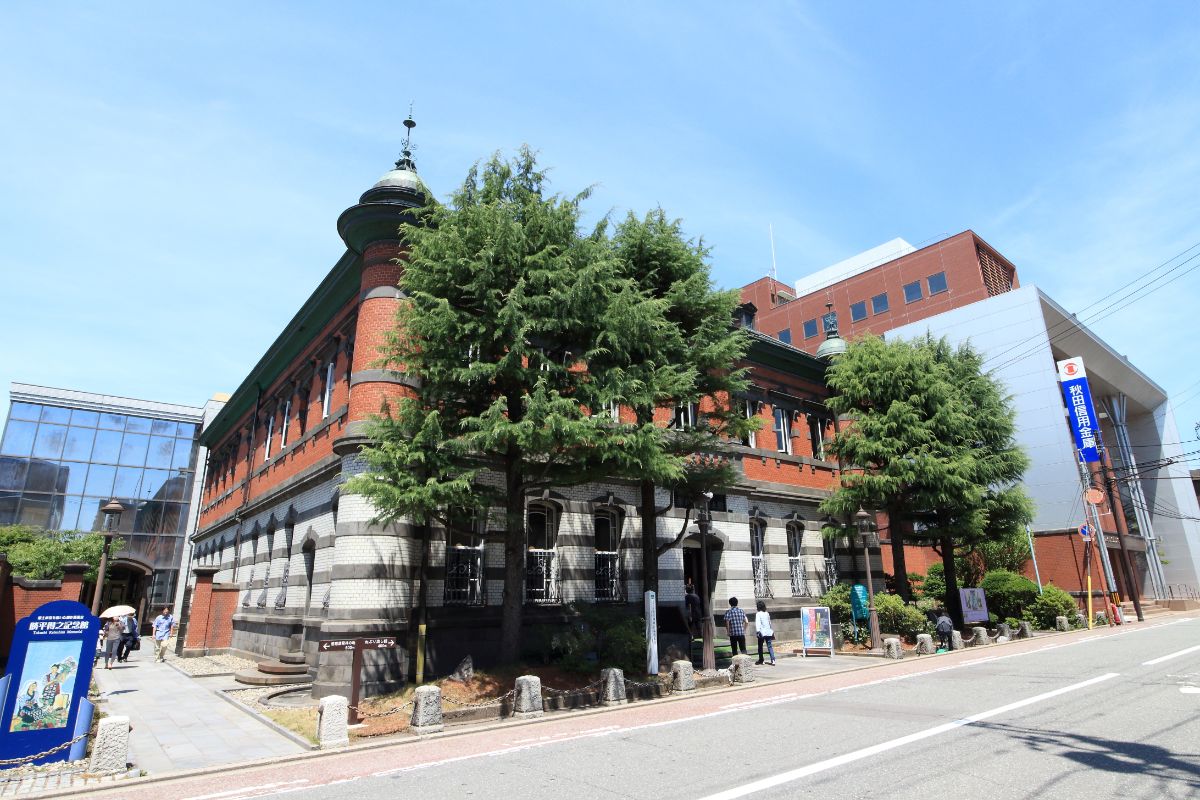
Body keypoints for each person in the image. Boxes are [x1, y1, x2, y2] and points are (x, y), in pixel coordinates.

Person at [754, 599, 776, 665]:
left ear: (758, 607)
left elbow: (758, 623)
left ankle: (761, 660)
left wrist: (758, 631)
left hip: (762, 632)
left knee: (760, 646)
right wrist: (771, 629)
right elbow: (769, 623)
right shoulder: (767, 613)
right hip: (768, 632)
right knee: (770, 646)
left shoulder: (758, 614)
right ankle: (773, 660)